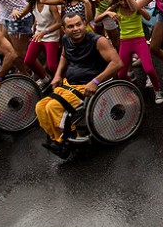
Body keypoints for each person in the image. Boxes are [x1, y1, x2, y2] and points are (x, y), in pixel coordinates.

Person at [35, 13, 124, 158]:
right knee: (40, 107)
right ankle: (58, 139)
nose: (75, 28)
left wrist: (95, 81)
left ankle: (71, 140)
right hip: (68, 84)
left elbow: (117, 63)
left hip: (87, 85)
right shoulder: (66, 39)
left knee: (53, 107)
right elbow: (64, 56)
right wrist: (57, 74)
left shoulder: (98, 41)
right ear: (64, 29)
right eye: (70, 26)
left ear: (84, 23)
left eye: (78, 24)